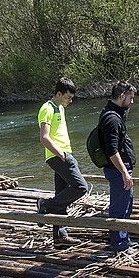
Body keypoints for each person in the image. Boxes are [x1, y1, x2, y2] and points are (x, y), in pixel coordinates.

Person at [36, 78, 90, 248]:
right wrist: (62, 155)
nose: (70, 100)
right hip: (58, 156)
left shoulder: (60, 107)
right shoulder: (47, 108)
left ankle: (60, 237)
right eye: (67, 97)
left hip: (64, 154)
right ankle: (45, 204)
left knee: (61, 194)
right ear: (58, 94)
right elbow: (44, 138)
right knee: (81, 187)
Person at [99, 81, 137, 252]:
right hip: (118, 170)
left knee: (126, 204)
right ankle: (119, 244)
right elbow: (112, 150)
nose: (132, 102)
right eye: (130, 98)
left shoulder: (113, 113)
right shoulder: (112, 119)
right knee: (119, 207)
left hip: (121, 169)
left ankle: (124, 239)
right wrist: (124, 173)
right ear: (122, 96)